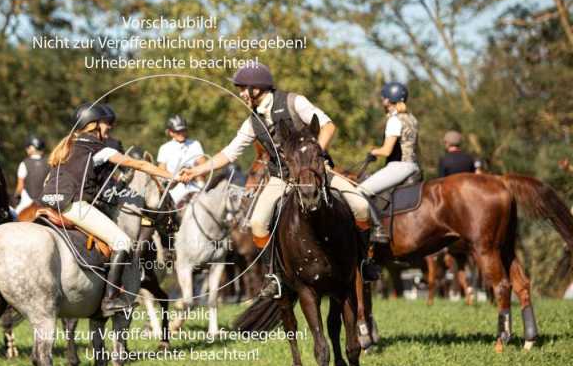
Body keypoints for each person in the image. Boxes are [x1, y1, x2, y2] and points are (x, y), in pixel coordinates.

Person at [178, 62, 380, 295]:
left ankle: (365, 263)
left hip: (315, 171)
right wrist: (197, 171)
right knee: (257, 223)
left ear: (257, 89)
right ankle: (274, 275)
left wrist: (315, 157)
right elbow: (229, 153)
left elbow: (328, 126)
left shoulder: (295, 102)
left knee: (361, 205)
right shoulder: (252, 122)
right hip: (281, 178)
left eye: (243, 88)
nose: (241, 94)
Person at [41, 103, 176, 315]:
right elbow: (138, 165)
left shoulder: (68, 145)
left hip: (50, 203)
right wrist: (171, 176)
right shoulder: (99, 148)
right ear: (93, 125)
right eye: (106, 125)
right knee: (122, 242)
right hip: (73, 206)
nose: (108, 130)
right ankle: (110, 299)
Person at [359, 82, 421, 243]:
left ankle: (378, 229)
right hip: (414, 165)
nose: (382, 101)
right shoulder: (412, 118)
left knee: (360, 191)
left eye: (383, 98)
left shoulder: (394, 120)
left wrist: (374, 151)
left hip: (399, 166)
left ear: (388, 100)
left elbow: (386, 151)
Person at [156, 115, 207, 207]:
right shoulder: (164, 148)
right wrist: (177, 177)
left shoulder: (195, 144)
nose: (181, 133)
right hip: (173, 189)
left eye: (183, 130)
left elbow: (204, 166)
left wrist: (192, 171)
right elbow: (161, 173)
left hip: (194, 186)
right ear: (170, 132)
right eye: (177, 131)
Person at [13, 134, 50, 215]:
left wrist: (15, 198)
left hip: (28, 201)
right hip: (46, 201)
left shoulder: (24, 163)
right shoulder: (49, 163)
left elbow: (20, 187)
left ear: (31, 148)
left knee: (14, 217)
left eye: (28, 147)